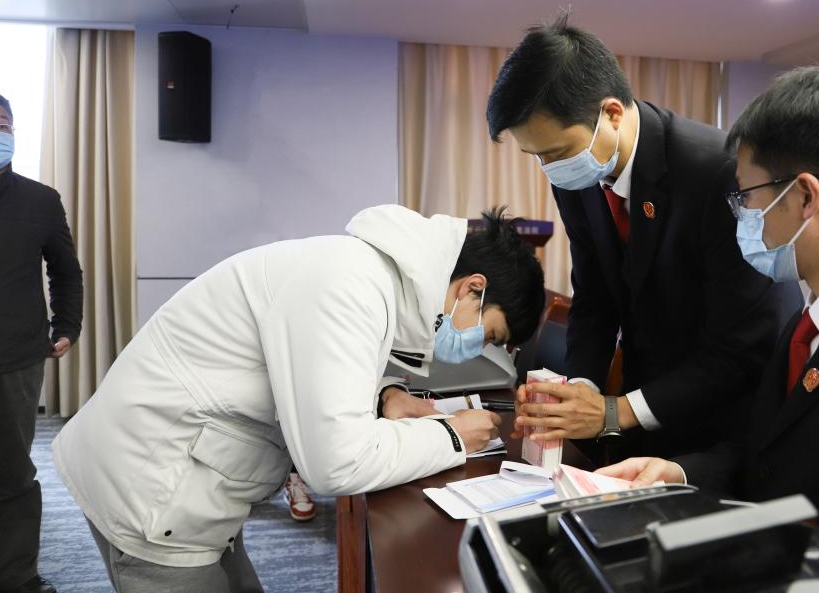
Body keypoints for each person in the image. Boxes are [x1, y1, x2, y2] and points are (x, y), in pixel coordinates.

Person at [597, 66, 819, 592]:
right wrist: (680, 474)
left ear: (805, 196)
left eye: (745, 197)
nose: (741, 215)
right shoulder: (807, 321)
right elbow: (767, 457)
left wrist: (777, 551)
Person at [53, 205, 545, 591]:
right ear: (472, 289)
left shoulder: (366, 274)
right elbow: (336, 465)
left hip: (192, 467)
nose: (476, 347)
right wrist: (451, 435)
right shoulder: (348, 285)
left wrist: (387, 395)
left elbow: (317, 361)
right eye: (489, 334)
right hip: (154, 483)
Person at [486, 15, 798, 457]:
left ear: (611, 113)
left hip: (726, 421)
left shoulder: (716, 172)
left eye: (555, 152)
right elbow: (594, 292)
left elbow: (743, 346)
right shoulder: (575, 175)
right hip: (644, 404)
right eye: (536, 156)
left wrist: (615, 412)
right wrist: (581, 388)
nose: (550, 169)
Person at [0, 87, 83, 593]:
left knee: (12, 479)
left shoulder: (41, 200)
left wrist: (68, 325)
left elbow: (66, 271)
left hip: (16, 364)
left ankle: (17, 581)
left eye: (1, 125)